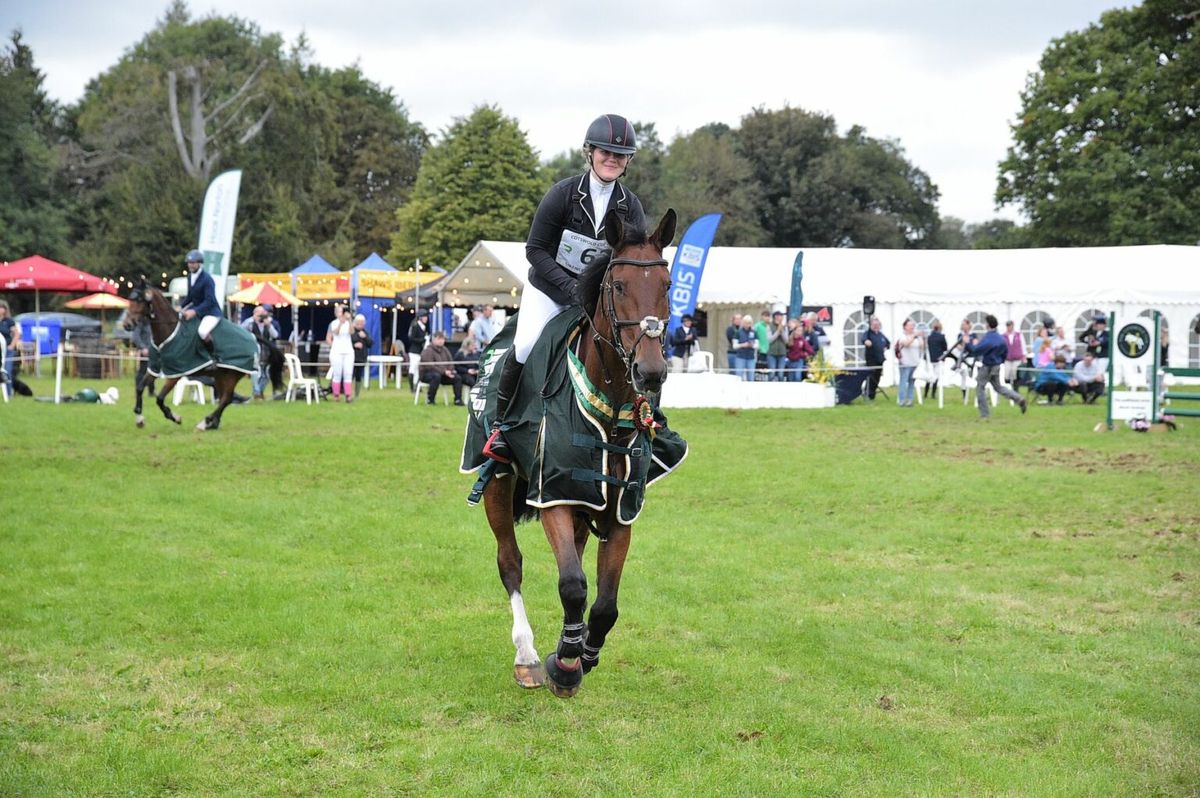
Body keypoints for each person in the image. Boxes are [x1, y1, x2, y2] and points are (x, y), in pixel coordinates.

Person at [484, 113, 645, 463]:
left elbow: (631, 261)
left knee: (633, 350)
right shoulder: (563, 194)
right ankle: (501, 427)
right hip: (549, 291)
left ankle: (646, 423)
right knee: (526, 345)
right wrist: (570, 287)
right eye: (605, 152)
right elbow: (535, 250)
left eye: (620, 155)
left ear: (628, 161)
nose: (612, 159)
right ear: (590, 152)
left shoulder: (630, 206)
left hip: (596, 301)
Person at [964, 314, 1028, 419]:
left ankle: (984, 414)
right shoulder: (1001, 338)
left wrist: (967, 343)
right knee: (999, 387)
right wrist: (1000, 361)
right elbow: (1005, 352)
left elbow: (975, 351)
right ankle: (1018, 398)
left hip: (987, 366)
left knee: (980, 387)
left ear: (988, 325)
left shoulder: (988, 338)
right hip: (997, 366)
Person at [179, 249, 221, 354]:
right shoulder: (190, 277)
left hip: (211, 312)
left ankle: (213, 356)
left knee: (202, 332)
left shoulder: (207, 279)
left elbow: (210, 301)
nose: (190, 266)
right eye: (189, 263)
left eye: (193, 263)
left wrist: (194, 311)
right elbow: (190, 297)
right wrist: (180, 307)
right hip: (197, 310)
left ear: (199, 263)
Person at [240, 304, 278, 400]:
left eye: (263, 314)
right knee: (256, 372)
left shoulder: (267, 323)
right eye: (260, 314)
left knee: (266, 375)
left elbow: (275, 335)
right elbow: (241, 332)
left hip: (266, 352)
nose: (261, 316)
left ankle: (258, 391)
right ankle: (257, 392)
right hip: (254, 351)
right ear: (255, 313)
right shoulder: (249, 322)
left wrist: (268, 325)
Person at [419, 330, 463, 405]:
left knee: (457, 378)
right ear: (433, 339)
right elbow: (430, 366)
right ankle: (430, 400)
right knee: (436, 376)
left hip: (444, 375)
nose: (441, 341)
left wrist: (450, 371)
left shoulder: (445, 350)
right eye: (439, 339)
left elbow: (451, 362)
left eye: (442, 339)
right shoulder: (427, 351)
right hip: (427, 375)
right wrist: (444, 371)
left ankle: (458, 400)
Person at [326, 304, 355, 401]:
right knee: (337, 373)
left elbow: (352, 332)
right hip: (337, 351)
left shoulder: (349, 323)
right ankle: (336, 395)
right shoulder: (333, 323)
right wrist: (340, 323)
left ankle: (348, 394)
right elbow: (335, 333)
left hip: (348, 350)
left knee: (348, 373)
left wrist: (349, 320)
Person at [895, 318, 925, 407]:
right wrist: (914, 336)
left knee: (912, 383)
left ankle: (909, 400)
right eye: (910, 325)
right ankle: (902, 400)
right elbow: (906, 344)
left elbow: (922, 346)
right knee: (903, 382)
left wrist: (921, 337)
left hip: (915, 363)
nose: (912, 327)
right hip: (905, 363)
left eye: (913, 325)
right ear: (905, 327)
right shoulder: (902, 336)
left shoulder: (916, 337)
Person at [861, 316, 889, 400]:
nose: (876, 326)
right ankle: (867, 393)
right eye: (874, 324)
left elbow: (888, 343)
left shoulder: (880, 334)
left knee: (877, 377)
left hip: (880, 360)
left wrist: (885, 347)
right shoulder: (868, 333)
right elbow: (863, 339)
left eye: (877, 324)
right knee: (871, 378)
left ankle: (872, 395)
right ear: (871, 325)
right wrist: (867, 342)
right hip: (871, 360)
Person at [0, 299, 21, 398]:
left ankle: (9, 393)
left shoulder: (9, 321)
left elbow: (16, 334)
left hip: (7, 350)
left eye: (1, 307)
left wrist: (12, 346)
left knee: (7, 370)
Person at [923, 320, 947, 399]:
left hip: (930, 359)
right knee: (936, 376)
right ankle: (933, 394)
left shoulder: (929, 337)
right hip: (938, 359)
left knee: (929, 376)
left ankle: (925, 393)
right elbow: (945, 347)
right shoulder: (941, 337)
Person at [351, 313, 373, 398]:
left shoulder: (365, 333)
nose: (360, 325)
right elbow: (347, 342)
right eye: (359, 323)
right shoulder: (351, 332)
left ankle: (357, 394)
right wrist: (354, 345)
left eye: (362, 323)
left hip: (361, 358)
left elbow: (370, 344)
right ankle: (348, 392)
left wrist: (365, 337)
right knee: (350, 376)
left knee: (359, 376)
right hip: (352, 357)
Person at [785, 317, 813, 382]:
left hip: (799, 361)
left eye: (801, 331)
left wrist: (804, 354)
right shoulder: (790, 339)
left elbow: (810, 350)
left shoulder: (802, 340)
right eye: (798, 330)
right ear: (794, 331)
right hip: (790, 361)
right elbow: (785, 349)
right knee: (791, 378)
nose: (799, 332)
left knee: (797, 377)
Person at [454, 336, 482, 400]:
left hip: (475, 373)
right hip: (463, 374)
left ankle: (480, 398)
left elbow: (479, 364)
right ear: (467, 345)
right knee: (472, 381)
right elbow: (456, 367)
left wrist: (477, 370)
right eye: (472, 345)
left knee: (481, 380)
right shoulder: (460, 354)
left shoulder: (476, 354)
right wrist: (467, 370)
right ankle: (474, 399)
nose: (474, 346)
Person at [407, 312, 429, 390]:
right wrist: (422, 340)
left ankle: (416, 386)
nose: (426, 318)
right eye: (424, 317)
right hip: (414, 351)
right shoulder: (415, 326)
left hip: (420, 350)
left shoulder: (423, 326)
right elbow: (411, 338)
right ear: (420, 317)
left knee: (417, 369)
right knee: (413, 368)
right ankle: (412, 387)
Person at [733, 315, 758, 381]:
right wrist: (743, 345)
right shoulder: (738, 332)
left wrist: (752, 345)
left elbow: (757, 345)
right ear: (743, 323)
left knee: (751, 376)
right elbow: (734, 346)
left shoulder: (754, 332)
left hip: (751, 357)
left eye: (749, 323)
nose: (747, 324)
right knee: (739, 376)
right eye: (746, 322)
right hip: (740, 357)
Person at [765, 310, 788, 381]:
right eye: (780, 316)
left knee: (781, 374)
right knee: (772, 373)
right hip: (772, 353)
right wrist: (777, 331)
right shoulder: (769, 326)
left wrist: (782, 331)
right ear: (775, 317)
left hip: (782, 353)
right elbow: (769, 340)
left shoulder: (785, 327)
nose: (781, 318)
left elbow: (786, 340)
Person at [1002, 320, 1026, 387]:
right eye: (1008, 326)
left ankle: (1015, 388)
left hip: (1017, 357)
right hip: (1007, 358)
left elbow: (1023, 345)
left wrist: (1024, 355)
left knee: (1015, 373)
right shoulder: (1003, 336)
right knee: (1007, 374)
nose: (1009, 327)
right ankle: (1007, 388)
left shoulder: (1018, 335)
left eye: (1010, 325)